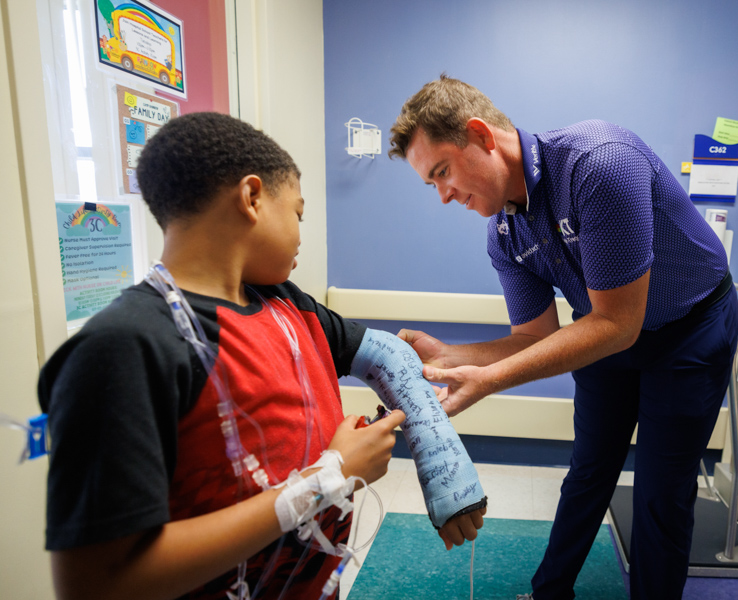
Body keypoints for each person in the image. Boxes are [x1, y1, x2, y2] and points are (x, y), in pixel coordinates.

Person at [38, 112, 483, 600]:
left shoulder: (288, 305)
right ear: (252, 198)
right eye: (298, 213)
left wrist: (449, 478)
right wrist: (329, 477)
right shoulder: (122, 349)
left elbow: (392, 357)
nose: (300, 233)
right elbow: (97, 583)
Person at [388, 75, 738, 600]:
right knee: (589, 470)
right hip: (602, 330)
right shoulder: (504, 233)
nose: (442, 196)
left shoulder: (599, 163)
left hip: (688, 327)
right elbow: (533, 336)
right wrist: (452, 354)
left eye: (442, 172)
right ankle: (550, 592)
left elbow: (618, 324)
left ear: (483, 136)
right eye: (430, 183)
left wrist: (488, 380)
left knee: (660, 494)